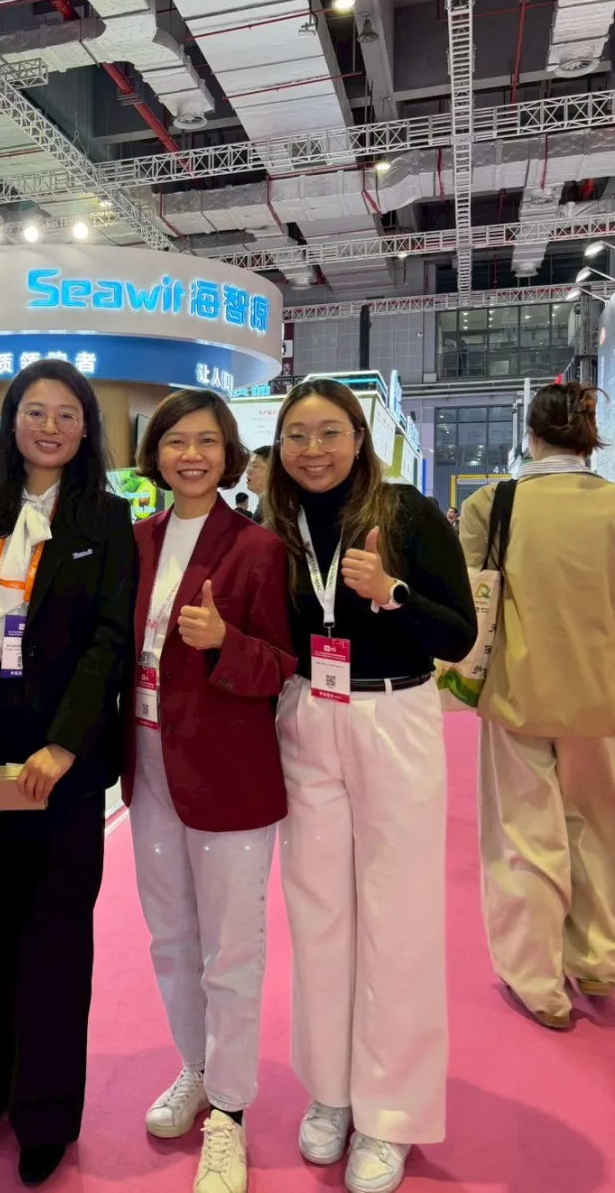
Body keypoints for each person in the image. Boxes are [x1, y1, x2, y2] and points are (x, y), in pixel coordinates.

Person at [263, 378, 476, 1193]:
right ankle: (332, 1089)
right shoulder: (276, 526)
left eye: (330, 432)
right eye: (297, 434)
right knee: (317, 912)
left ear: (360, 437)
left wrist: (392, 594)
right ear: (279, 447)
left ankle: (390, 1113)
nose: (313, 449)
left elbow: (458, 635)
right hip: (306, 716)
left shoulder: (408, 513)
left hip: (394, 715)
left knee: (398, 917)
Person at [0, 358, 137, 1188]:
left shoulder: (107, 517)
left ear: (87, 426)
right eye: (34, 411)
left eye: (66, 413)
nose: (49, 426)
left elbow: (110, 639)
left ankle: (47, 1113)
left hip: (64, 755)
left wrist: (64, 745)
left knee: (56, 939)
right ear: (11, 420)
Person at [126, 390, 295, 1193]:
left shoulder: (258, 548)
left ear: (228, 452)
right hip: (148, 762)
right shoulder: (137, 541)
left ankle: (229, 1108)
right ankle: (195, 1067)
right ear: (154, 453)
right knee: (169, 937)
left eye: (205, 441)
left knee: (231, 948)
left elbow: (281, 665)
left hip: (228, 770)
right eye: (174, 441)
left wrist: (226, 642)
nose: (190, 455)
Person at [460, 381, 615, 1029]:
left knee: (523, 836)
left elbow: (468, 597)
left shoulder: (492, 503)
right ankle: (598, 957)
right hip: (602, 695)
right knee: (599, 828)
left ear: (531, 435)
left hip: (515, 691)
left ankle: (538, 983)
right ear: (590, 439)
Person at [245, 446, 270, 523]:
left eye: (254, 466)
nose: (248, 471)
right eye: (249, 466)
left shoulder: (276, 511)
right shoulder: (265, 506)